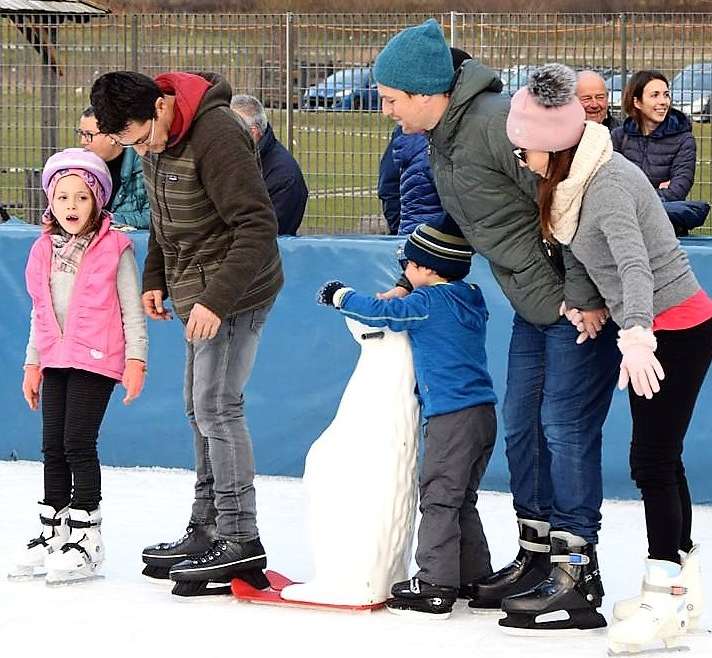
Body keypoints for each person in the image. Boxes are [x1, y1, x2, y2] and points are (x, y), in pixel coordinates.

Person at [373, 19, 620, 632]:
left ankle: (575, 569)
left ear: (426, 92)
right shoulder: (445, 136)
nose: (386, 112)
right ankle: (537, 556)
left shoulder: (492, 124)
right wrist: (411, 278)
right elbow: (472, 219)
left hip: (572, 303)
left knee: (562, 431)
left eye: (391, 100)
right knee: (523, 431)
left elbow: (570, 197)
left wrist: (583, 294)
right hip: (535, 303)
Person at [507, 62, 712, 654]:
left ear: (553, 145)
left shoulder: (609, 184)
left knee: (650, 461)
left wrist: (639, 332)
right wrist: (582, 304)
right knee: (660, 459)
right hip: (652, 327)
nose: (522, 160)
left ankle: (661, 591)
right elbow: (579, 254)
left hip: (676, 328)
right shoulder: (571, 185)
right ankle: (682, 581)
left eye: (526, 151)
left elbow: (634, 264)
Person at [89, 70, 283, 596]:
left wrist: (218, 301)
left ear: (161, 106)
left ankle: (241, 538)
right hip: (193, 287)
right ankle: (207, 528)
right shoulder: (153, 137)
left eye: (142, 137)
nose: (143, 150)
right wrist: (155, 278)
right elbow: (164, 219)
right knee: (198, 408)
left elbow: (257, 226)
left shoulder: (217, 135)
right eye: (130, 145)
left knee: (218, 405)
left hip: (236, 290)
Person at [316, 223, 497, 619]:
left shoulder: (428, 302)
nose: (404, 273)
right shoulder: (470, 296)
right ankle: (472, 575)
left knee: (438, 497)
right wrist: (406, 284)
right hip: (483, 414)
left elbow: (382, 312)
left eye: (408, 266)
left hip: (451, 417)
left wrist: (339, 294)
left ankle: (434, 584)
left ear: (428, 270)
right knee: (461, 498)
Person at [10, 148, 147, 584]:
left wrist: (136, 359)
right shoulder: (42, 250)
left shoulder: (116, 247)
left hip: (96, 359)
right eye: (63, 197)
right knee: (52, 445)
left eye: (81, 198)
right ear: (51, 201)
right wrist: (32, 365)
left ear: (97, 201)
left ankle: (87, 536)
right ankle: (53, 530)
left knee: (77, 444)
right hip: (55, 357)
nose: (71, 206)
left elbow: (131, 310)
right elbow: (39, 311)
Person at [377, 48, 471, 235]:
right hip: (440, 249)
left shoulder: (406, 132)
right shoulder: (414, 130)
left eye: (391, 101)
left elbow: (388, 186)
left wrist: (403, 232)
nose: (386, 111)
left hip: (416, 242)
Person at [611, 71, 708, 236]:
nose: (663, 102)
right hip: (622, 228)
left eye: (666, 95)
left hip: (666, 229)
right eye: (654, 95)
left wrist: (631, 195)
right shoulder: (619, 137)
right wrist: (656, 189)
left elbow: (677, 191)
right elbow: (610, 187)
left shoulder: (684, 140)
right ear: (637, 102)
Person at [230, 94, 308, 236]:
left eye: (230, 130)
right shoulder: (228, 159)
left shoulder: (284, 177)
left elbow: (266, 234)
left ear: (253, 133)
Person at [76, 106, 151, 229]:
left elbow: (154, 218)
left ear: (112, 136)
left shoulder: (143, 165)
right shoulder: (80, 167)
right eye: (81, 133)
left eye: (89, 135)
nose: (83, 141)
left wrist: (109, 220)